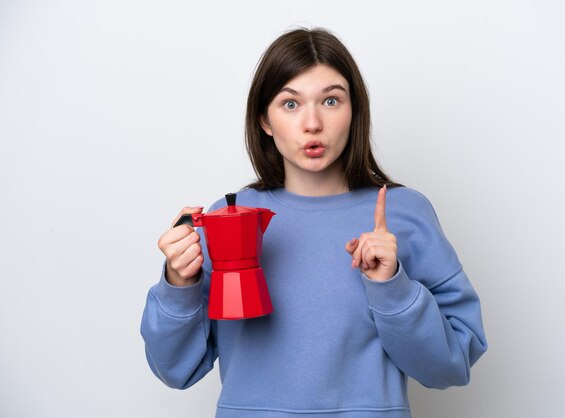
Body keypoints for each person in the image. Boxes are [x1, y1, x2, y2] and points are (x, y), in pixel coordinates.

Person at [141, 27, 487, 418]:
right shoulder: (228, 219)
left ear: (354, 111)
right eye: (290, 104)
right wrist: (178, 284)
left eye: (331, 100)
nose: (312, 123)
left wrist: (393, 289)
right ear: (264, 121)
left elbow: (450, 367)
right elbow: (174, 369)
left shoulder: (404, 213)